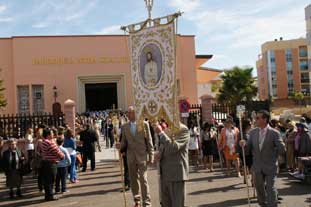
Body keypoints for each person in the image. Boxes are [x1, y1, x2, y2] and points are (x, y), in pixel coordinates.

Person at [240, 110, 286, 207]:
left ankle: (272, 205)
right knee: (259, 188)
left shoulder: (274, 133)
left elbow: (282, 149)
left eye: (257, 118)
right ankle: (263, 204)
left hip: (270, 165)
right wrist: (243, 144)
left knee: (270, 188)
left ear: (265, 119)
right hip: (257, 165)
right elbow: (247, 149)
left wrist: (273, 156)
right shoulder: (253, 132)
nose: (255, 120)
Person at [116, 106, 154, 207]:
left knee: (143, 179)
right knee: (133, 180)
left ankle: (147, 202)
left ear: (135, 113)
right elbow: (124, 142)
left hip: (142, 156)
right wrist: (120, 145)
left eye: (130, 112)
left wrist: (151, 156)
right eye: (128, 112)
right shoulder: (124, 127)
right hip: (130, 157)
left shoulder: (144, 124)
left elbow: (149, 141)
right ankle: (137, 201)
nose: (128, 114)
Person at [154, 121, 190, 207]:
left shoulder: (183, 129)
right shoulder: (167, 129)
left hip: (176, 175)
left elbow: (174, 147)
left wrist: (161, 134)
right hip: (164, 175)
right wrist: (159, 154)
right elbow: (164, 147)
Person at [41, 128, 65, 201]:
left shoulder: (45, 141)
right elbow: (56, 151)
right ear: (48, 135)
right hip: (50, 163)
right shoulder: (48, 142)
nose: (53, 134)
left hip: (47, 163)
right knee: (50, 180)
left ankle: (48, 195)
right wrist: (62, 156)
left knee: (48, 180)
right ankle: (50, 196)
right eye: (52, 133)